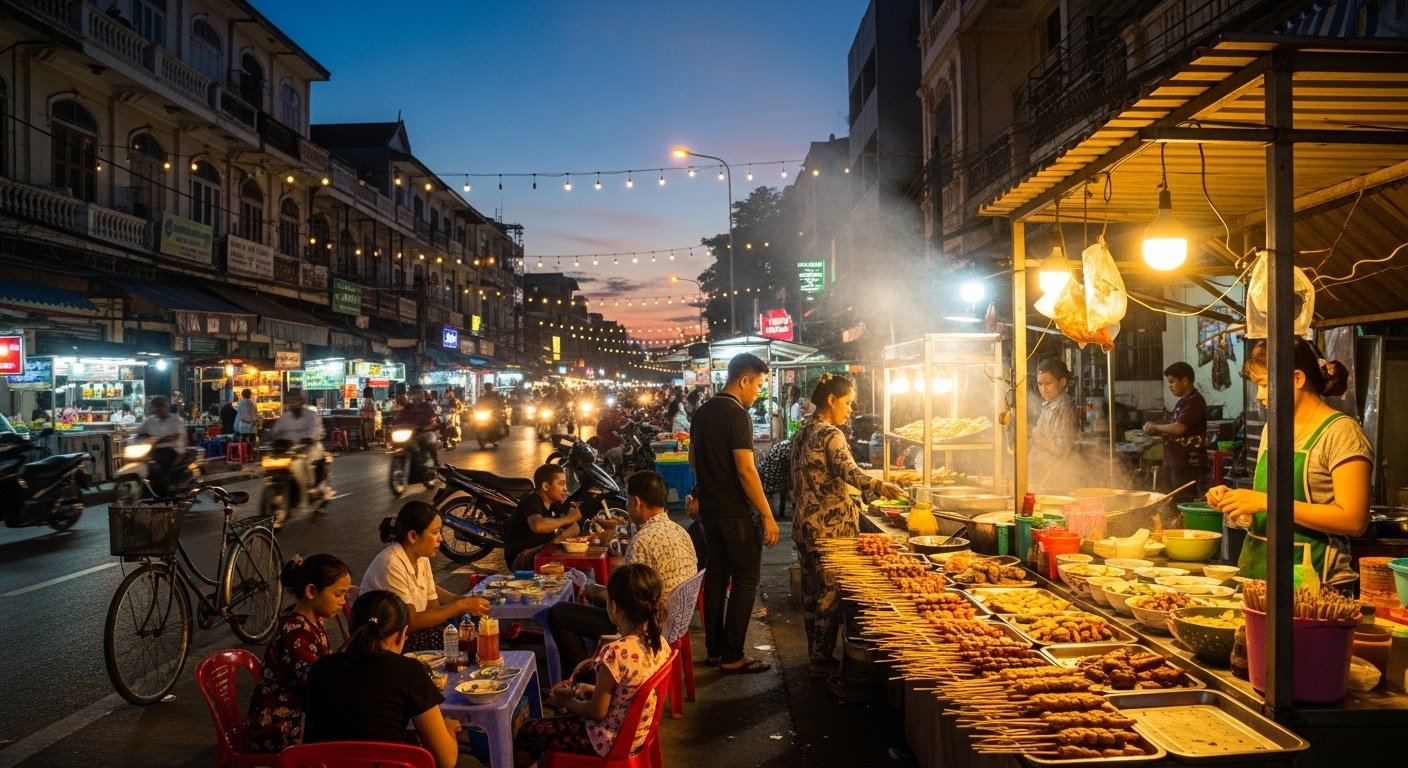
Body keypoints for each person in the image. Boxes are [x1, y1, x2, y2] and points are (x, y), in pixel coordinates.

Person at [1206, 338, 1370, 591]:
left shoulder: (1341, 432)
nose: (1259, 396)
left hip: (1317, 585)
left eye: (1263, 384)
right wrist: (1238, 503)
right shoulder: (1272, 429)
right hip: (1258, 576)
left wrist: (1267, 503)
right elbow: (1267, 504)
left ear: (1296, 378)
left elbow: (1354, 520)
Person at [789, 374, 905, 679]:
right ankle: (821, 660)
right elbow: (848, 470)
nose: (850, 410)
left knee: (811, 594)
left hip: (804, 527)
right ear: (831, 401)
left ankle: (814, 653)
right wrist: (878, 484)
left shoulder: (801, 433)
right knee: (830, 596)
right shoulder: (830, 434)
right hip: (829, 533)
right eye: (847, 402)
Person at [513, 563, 672, 768]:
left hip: (606, 739)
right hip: (637, 733)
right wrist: (591, 690)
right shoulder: (659, 642)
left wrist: (567, 701)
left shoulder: (616, 653)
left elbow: (597, 712)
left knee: (529, 731)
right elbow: (629, 690)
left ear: (613, 607)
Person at [545, 471, 697, 678]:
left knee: (559, 614)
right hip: (675, 619)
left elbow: (627, 599)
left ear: (636, 502)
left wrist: (594, 590)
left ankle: (585, 682)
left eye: (626, 499)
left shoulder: (644, 540)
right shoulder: (680, 531)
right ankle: (596, 666)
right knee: (592, 604)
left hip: (645, 626)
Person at [689, 352, 779, 674]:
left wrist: (708, 487)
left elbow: (693, 461)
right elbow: (746, 470)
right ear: (743, 380)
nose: (758, 392)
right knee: (744, 581)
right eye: (758, 385)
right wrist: (767, 514)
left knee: (716, 579)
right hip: (736, 514)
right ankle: (733, 656)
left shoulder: (701, 413)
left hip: (710, 513)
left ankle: (714, 651)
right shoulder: (738, 415)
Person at [303, 590, 463, 768]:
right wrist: (448, 728)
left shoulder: (320, 669)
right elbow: (446, 760)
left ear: (351, 630)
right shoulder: (408, 670)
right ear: (402, 633)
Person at [246, 554, 351, 752]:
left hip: (295, 714)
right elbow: (319, 685)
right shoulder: (296, 633)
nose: (343, 602)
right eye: (338, 594)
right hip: (278, 725)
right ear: (311, 591)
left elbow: (323, 666)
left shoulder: (311, 621)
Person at [362, 501, 489, 652]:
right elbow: (410, 622)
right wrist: (458, 607)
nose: (440, 538)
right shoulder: (391, 565)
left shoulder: (421, 558)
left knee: (470, 627)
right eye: (435, 532)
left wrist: (462, 604)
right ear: (413, 536)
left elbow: (432, 606)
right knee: (454, 642)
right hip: (389, 642)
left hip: (413, 632)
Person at [1143, 361, 1207, 503]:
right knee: (1171, 502)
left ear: (1184, 381)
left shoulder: (1195, 401)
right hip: (1173, 461)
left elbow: (1179, 428)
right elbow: (1172, 427)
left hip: (1186, 464)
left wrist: (1156, 427)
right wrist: (1154, 429)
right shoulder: (1182, 402)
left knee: (1182, 502)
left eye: (1172, 382)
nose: (1169, 386)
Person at [504, 464, 583, 572]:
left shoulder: (555, 503)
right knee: (562, 557)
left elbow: (575, 529)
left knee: (572, 553)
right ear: (546, 486)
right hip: (520, 559)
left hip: (541, 551)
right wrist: (568, 518)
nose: (565, 489)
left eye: (565, 483)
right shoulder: (532, 501)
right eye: (561, 484)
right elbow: (538, 525)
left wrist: (559, 538)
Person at [269, 389, 327, 527]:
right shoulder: (286, 417)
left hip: (309, 448)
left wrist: (308, 439)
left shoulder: (311, 415)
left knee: (304, 462)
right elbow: (275, 431)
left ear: (302, 402)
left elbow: (315, 431)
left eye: (297, 400)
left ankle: (310, 487)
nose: (294, 403)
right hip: (290, 451)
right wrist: (274, 438)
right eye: (292, 400)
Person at [1030, 357, 1079, 490]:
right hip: (1043, 477)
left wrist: (1034, 436)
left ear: (1062, 382)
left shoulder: (1063, 408)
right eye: (1040, 384)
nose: (1043, 389)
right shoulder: (1049, 404)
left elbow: (1060, 448)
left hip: (1056, 479)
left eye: (1048, 383)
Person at [137, 395, 187, 495]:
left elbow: (175, 436)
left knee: (160, 462)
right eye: (156, 407)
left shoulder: (176, 420)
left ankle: (168, 486)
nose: (158, 409)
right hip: (153, 449)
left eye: (161, 406)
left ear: (166, 407)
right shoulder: (151, 420)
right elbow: (139, 431)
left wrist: (160, 440)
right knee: (144, 461)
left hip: (172, 449)